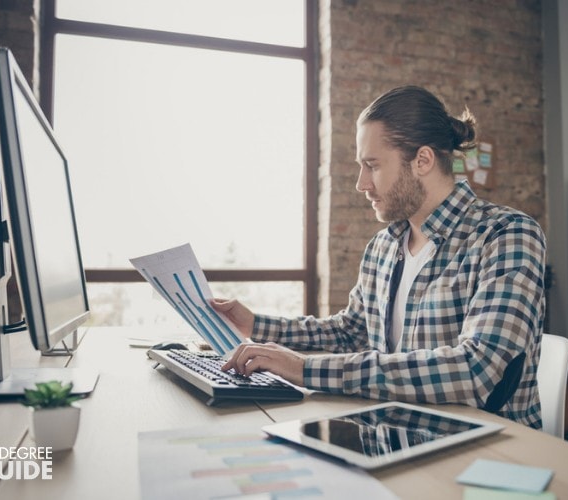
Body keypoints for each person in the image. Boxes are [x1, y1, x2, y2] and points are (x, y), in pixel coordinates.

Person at [213, 85, 546, 429]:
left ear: (423, 160)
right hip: (397, 439)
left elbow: (478, 370)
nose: (361, 183)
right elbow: (350, 332)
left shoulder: (506, 234)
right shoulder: (382, 247)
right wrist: (254, 326)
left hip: (492, 454)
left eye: (372, 165)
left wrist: (305, 369)